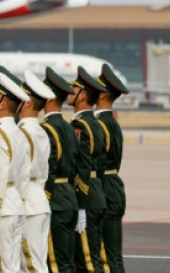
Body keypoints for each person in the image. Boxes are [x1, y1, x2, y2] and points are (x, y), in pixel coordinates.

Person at [0, 67, 31, 273]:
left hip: (4, 208)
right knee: (14, 265)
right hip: (16, 202)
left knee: (4, 266)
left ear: (3, 103)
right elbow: (25, 174)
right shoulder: (19, 132)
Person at [40, 67, 78, 273]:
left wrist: (43, 198)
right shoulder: (69, 128)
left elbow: (49, 169)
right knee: (67, 262)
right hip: (69, 198)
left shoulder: (47, 129)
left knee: (54, 263)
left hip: (55, 201)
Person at [70, 67, 108, 273]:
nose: (69, 92)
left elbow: (81, 166)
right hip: (97, 193)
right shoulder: (96, 123)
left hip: (86, 197)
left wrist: (81, 204)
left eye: (74, 88)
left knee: (87, 261)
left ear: (82, 95)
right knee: (94, 257)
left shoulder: (80, 125)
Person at [18, 71, 56, 273]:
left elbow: (22, 172)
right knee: (38, 262)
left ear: (27, 102)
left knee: (31, 264)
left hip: (28, 204)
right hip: (39, 199)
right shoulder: (41, 130)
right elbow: (44, 172)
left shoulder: (23, 131)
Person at [95, 64, 129, 273]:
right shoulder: (112, 122)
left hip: (104, 188)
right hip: (114, 186)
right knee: (113, 253)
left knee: (103, 254)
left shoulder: (99, 124)